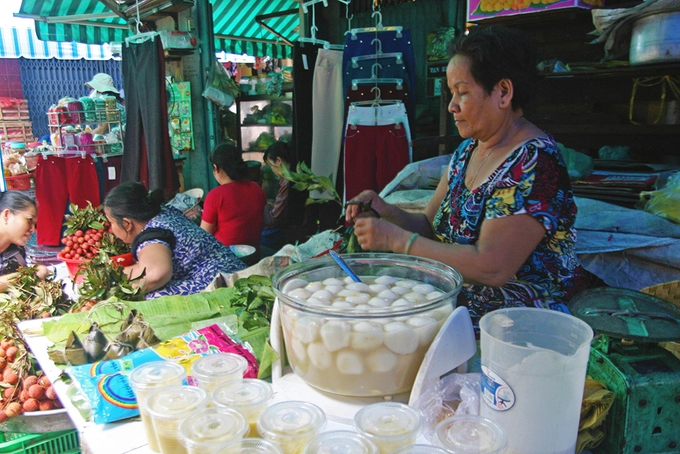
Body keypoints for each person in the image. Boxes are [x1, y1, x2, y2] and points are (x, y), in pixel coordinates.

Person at [345, 26, 591, 331]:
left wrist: (398, 241)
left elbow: (492, 267)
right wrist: (386, 212)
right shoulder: (467, 152)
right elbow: (429, 227)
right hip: (457, 304)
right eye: (451, 93)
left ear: (502, 92)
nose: (452, 106)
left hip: (518, 325)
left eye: (462, 93)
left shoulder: (534, 162)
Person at [103, 182, 246, 299]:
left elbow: (156, 273)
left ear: (127, 224)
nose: (111, 229)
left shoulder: (153, 235)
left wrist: (112, 282)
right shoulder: (165, 213)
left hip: (223, 287)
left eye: (112, 223)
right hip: (236, 273)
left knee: (150, 296)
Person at [200, 143, 267, 255]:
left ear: (216, 168)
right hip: (254, 254)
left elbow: (204, 236)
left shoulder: (215, 195)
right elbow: (267, 220)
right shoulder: (256, 188)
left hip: (226, 258)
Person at [0, 192, 48, 292]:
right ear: (7, 215)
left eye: (34, 224)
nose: (32, 229)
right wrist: (28, 277)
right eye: (29, 220)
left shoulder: (17, 251)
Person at [261, 141, 296, 252]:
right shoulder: (292, 177)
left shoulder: (288, 182)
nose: (272, 169)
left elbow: (274, 219)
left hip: (285, 233)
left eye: (271, 165)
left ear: (279, 161)